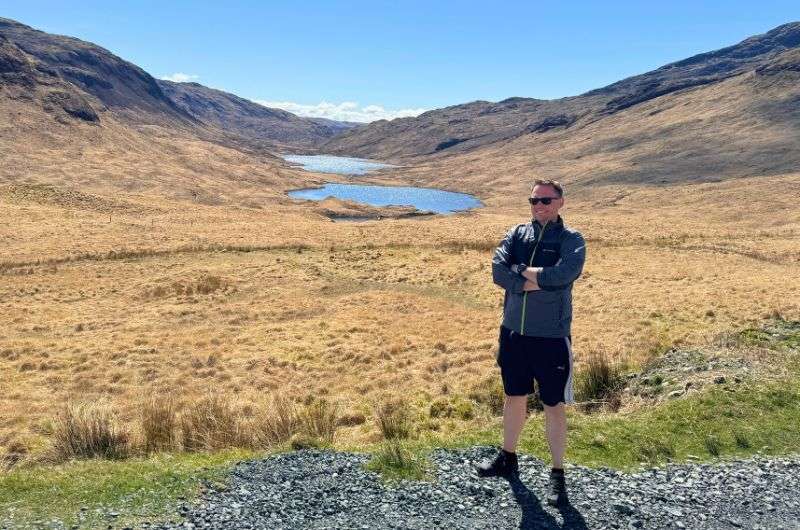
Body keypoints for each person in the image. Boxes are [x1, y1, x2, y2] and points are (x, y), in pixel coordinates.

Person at [476, 179, 586, 507]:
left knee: (553, 405)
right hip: (513, 333)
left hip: (551, 336)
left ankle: (557, 475)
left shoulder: (571, 239)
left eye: (546, 200)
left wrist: (521, 271)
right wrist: (533, 281)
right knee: (514, 397)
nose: (539, 206)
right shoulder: (516, 234)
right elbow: (499, 272)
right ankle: (508, 458)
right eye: (534, 200)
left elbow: (563, 275)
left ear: (561, 202)